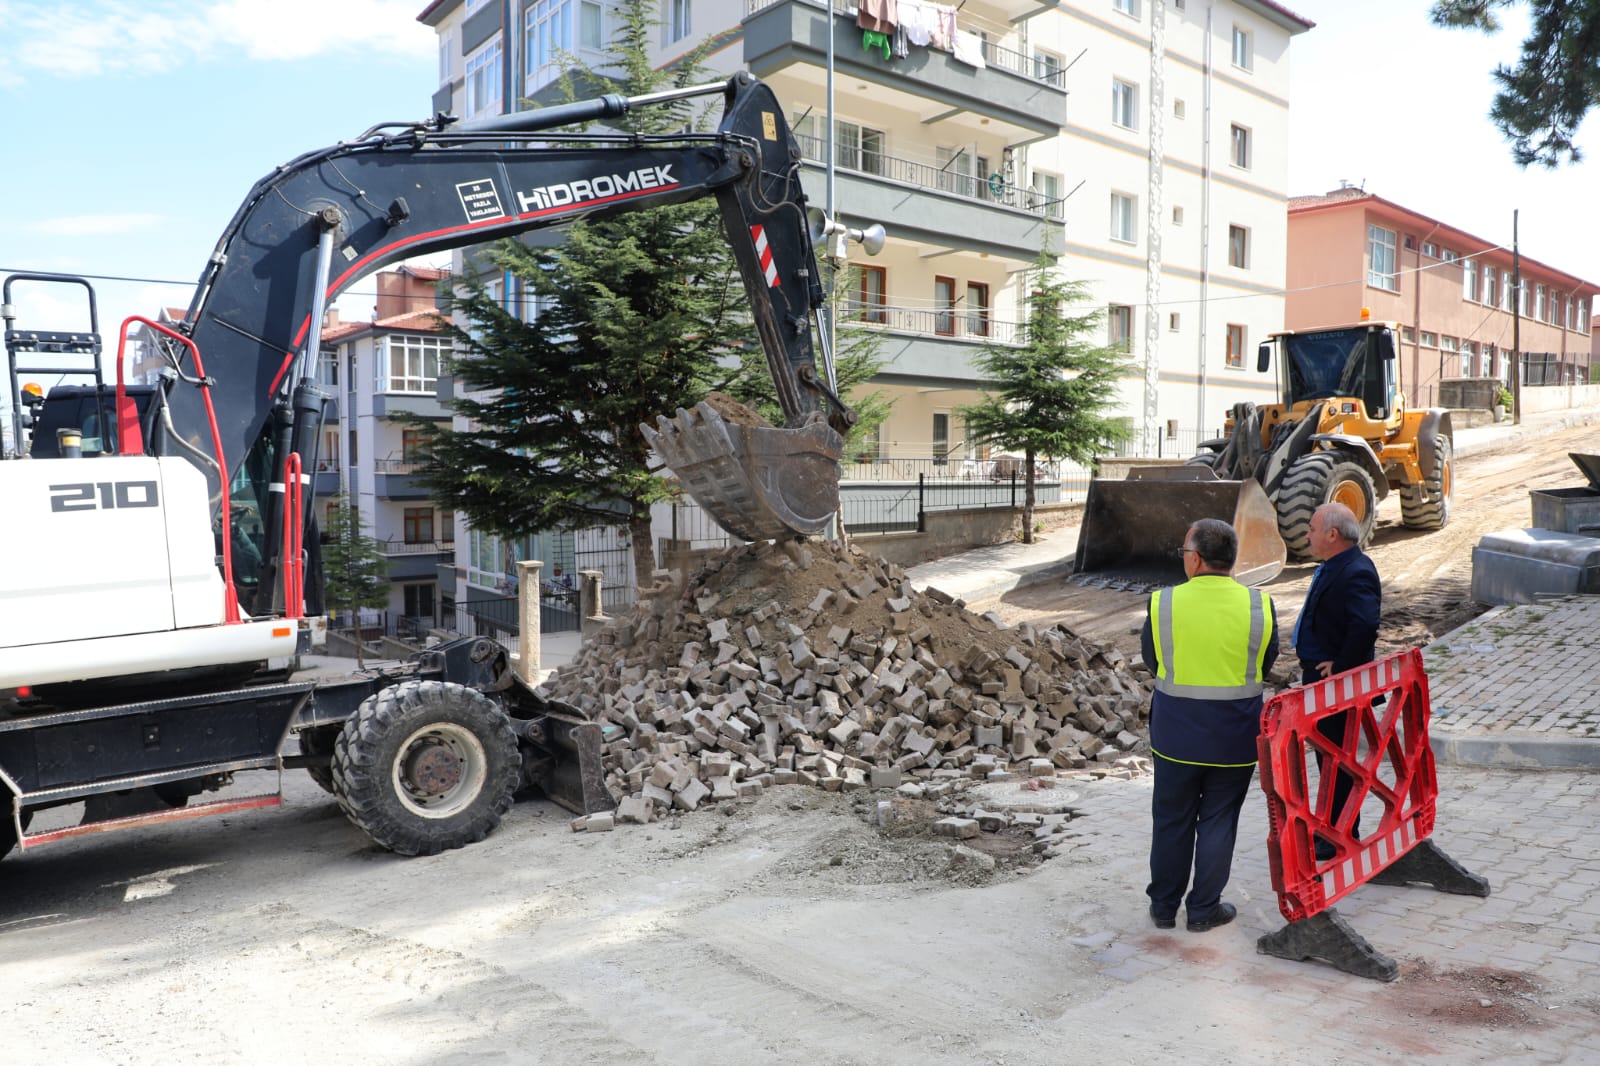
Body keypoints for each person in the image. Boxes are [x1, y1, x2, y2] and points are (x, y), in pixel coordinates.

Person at [1141, 518, 1278, 933]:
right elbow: (1265, 664)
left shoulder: (1163, 602)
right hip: (1234, 739)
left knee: (1171, 819)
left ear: (1196, 559)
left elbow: (1153, 660)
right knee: (1219, 820)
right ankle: (1203, 910)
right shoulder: (1259, 605)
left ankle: (1164, 908)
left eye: (1185, 552)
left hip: (1175, 736)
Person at [1292, 502, 1382, 859]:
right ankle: (1331, 829)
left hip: (1337, 683)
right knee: (1328, 759)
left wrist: (1342, 667)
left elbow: (1364, 625)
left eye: (1312, 529)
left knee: (1337, 761)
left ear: (1332, 534)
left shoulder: (1356, 569)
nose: (1307, 535)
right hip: (1322, 678)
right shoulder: (1336, 565)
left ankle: (1338, 834)